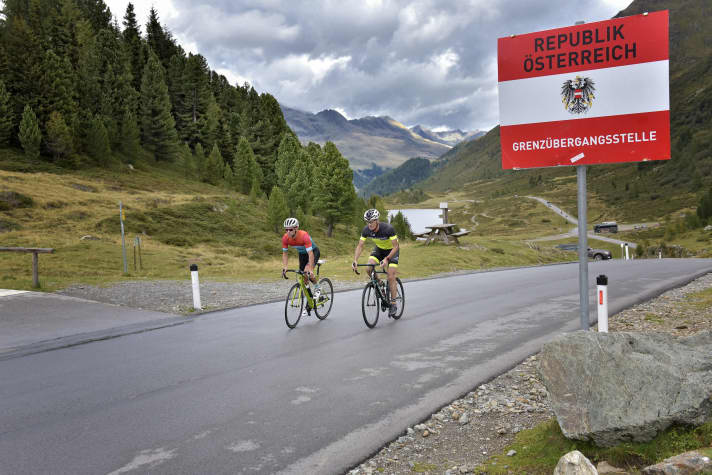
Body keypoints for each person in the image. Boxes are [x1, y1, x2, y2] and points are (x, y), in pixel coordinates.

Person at [352, 208, 400, 317]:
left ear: (377, 220)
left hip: (392, 251)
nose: (369, 224)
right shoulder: (366, 230)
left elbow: (396, 246)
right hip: (379, 249)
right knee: (368, 268)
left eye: (371, 221)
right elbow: (360, 245)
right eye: (367, 222)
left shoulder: (388, 229)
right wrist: (355, 260)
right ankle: (379, 283)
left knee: (391, 276)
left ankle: (393, 303)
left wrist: (387, 259)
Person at [281, 218, 321, 316]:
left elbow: (310, 254)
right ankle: (310, 301)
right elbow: (285, 253)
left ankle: (318, 288)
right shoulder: (285, 238)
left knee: (307, 272)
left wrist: (311, 269)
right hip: (302, 255)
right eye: (286, 230)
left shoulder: (304, 236)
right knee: (303, 278)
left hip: (313, 252)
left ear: (296, 228)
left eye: (290, 230)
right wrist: (285, 267)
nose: (288, 232)